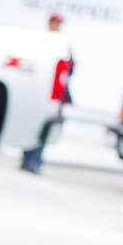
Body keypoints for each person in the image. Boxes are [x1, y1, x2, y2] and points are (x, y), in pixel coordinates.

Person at [22, 13, 73, 173]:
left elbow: (70, 70)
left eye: (59, 23)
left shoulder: (64, 45)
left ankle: (35, 161)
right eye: (54, 22)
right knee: (31, 124)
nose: (56, 25)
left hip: (54, 95)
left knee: (47, 127)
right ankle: (27, 158)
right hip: (38, 92)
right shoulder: (40, 41)